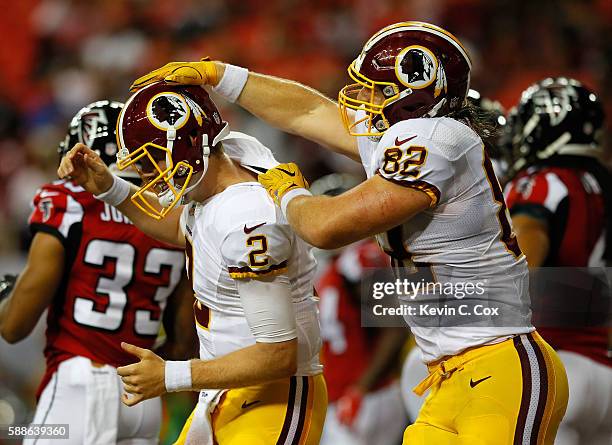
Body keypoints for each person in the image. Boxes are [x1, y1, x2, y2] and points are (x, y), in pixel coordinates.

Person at [131, 21, 569, 444]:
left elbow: (326, 227)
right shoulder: (409, 135)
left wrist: (288, 192)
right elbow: (308, 111)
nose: (361, 98)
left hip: (501, 364)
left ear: (416, 91)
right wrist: (221, 75)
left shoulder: (436, 138)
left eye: (376, 89)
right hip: (449, 375)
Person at [57, 83, 327, 445]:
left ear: (190, 147)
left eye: (153, 160)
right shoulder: (231, 160)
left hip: (275, 397)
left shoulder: (246, 218)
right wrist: (110, 188)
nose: (149, 175)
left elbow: (279, 355)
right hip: (228, 392)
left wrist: (170, 376)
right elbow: (184, 227)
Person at [0, 100, 195, 445]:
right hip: (143, 397)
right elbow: (182, 341)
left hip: (82, 383)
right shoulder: (169, 216)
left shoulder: (71, 201)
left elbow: (14, 327)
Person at [504, 77, 612, 445]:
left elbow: (520, 264)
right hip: (604, 370)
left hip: (557, 367)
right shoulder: (600, 184)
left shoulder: (542, 181)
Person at [311, 174, 408, 445]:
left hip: (366, 396)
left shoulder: (359, 259)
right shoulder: (336, 265)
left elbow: (395, 325)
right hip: (354, 396)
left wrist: (360, 389)